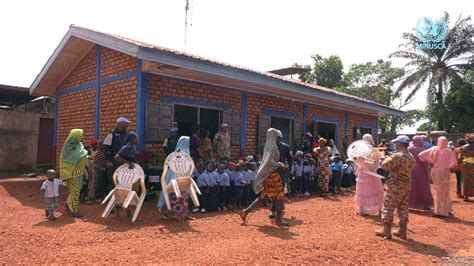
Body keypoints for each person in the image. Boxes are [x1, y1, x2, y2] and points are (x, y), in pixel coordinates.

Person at [240, 128, 290, 226]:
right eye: (278, 138)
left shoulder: (268, 147)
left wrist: (278, 163)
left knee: (264, 195)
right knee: (279, 196)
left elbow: (269, 162)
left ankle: (246, 211)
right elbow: (271, 163)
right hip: (273, 176)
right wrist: (280, 165)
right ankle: (279, 220)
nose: (279, 140)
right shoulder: (272, 148)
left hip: (269, 176)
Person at [376, 135, 416, 240]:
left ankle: (386, 231)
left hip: (395, 185)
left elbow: (385, 166)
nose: (395, 145)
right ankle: (402, 231)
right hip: (406, 184)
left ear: (399, 143)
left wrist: (383, 157)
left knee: (388, 206)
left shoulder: (398, 156)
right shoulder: (410, 156)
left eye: (396, 143)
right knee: (403, 207)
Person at [158, 136, 196, 220]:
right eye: (188, 142)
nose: (189, 144)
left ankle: (175, 213)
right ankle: (182, 214)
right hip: (182, 179)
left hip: (173, 179)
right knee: (183, 195)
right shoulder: (186, 153)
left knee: (174, 196)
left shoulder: (174, 153)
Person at [418, 136, 456, 217]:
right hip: (444, 172)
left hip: (435, 170)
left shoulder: (434, 148)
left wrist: (432, 161)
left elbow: (421, 155)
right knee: (445, 191)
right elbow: (453, 164)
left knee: (438, 191)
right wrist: (446, 165)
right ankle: (444, 210)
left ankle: (440, 210)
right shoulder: (449, 151)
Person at [59, 129, 89, 218]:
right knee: (75, 191)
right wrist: (88, 155)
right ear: (76, 137)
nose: (82, 137)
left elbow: (82, 156)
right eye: (81, 136)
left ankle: (69, 205)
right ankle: (73, 210)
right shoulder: (68, 147)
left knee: (75, 191)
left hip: (77, 172)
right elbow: (76, 158)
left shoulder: (78, 145)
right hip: (70, 173)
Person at [355, 134, 384, 216]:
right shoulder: (373, 149)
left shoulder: (359, 149)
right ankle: (380, 209)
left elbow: (357, 161)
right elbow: (376, 161)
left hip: (362, 171)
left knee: (362, 190)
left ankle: (362, 209)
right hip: (372, 172)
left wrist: (361, 166)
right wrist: (373, 168)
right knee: (375, 189)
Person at [408, 135, 433, 209]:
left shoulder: (410, 149)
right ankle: (424, 203)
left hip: (411, 169)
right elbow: (426, 161)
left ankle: (410, 203)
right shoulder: (423, 149)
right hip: (421, 170)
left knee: (412, 186)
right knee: (423, 186)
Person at [458, 134, 474, 201]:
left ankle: (466, 196)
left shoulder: (462, 148)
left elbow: (459, 158)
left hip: (466, 166)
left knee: (465, 181)